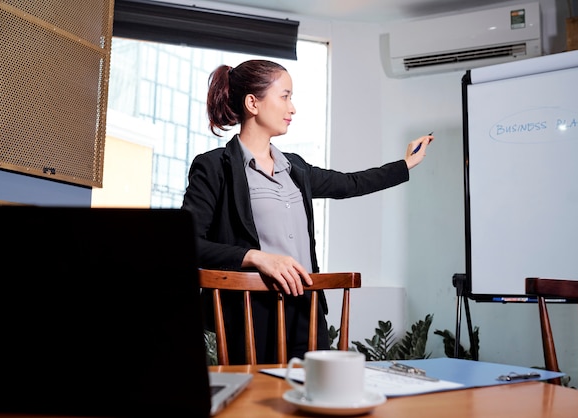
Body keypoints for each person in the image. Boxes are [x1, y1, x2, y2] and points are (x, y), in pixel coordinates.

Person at [181, 59, 433, 364]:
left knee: (313, 397)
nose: (292, 108)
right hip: (251, 312)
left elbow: (348, 184)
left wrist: (405, 164)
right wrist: (256, 257)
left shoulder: (295, 167)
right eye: (285, 96)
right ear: (253, 103)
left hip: (307, 310)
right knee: (262, 407)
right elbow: (187, 244)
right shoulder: (213, 167)